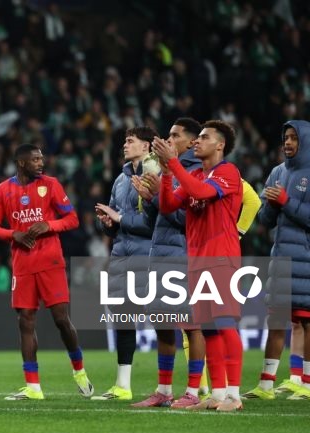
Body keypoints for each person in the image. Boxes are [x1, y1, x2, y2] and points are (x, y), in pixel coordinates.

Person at [0, 143, 94, 400]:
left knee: (60, 319)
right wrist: (15, 234)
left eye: (41, 158)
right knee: (25, 322)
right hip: (22, 266)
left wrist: (48, 225)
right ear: (22, 163)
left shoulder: (51, 184)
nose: (41, 163)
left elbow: (72, 219)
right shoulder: (3, 190)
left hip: (50, 262)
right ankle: (33, 386)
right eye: (35, 159)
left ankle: (79, 370)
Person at [154, 120, 245, 412]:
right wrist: (168, 174)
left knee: (225, 324)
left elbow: (202, 193)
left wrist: (173, 164)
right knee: (208, 329)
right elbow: (168, 205)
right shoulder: (193, 173)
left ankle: (234, 395)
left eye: (205, 137)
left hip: (222, 257)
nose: (198, 141)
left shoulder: (228, 172)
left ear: (220, 145)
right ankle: (217, 394)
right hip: (198, 260)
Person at [130, 118, 208, 408]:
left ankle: (192, 391)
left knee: (191, 325)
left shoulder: (196, 173)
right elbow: (157, 220)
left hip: (184, 255)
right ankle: (163, 391)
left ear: (191, 142)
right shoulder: (165, 170)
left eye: (175, 135)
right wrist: (150, 199)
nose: (169, 138)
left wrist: (161, 194)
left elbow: (189, 220)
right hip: (160, 253)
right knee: (162, 322)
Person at [243, 120, 310, 400]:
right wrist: (270, 205)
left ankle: (305, 381)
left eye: (294, 138)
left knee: (306, 322)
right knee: (278, 321)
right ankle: (267, 383)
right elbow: (265, 221)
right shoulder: (277, 172)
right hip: (280, 259)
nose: (288, 143)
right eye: (286, 138)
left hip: (306, 260)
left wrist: (285, 201)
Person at [92, 126, 159, 400]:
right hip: (121, 256)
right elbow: (116, 220)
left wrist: (120, 220)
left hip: (150, 256)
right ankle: (123, 385)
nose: (125, 144)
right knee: (123, 318)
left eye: (131, 141)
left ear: (146, 147)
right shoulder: (121, 180)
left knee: (168, 320)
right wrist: (109, 224)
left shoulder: (155, 176)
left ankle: (197, 383)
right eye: (125, 141)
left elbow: (155, 223)